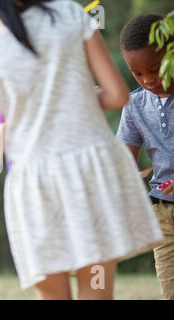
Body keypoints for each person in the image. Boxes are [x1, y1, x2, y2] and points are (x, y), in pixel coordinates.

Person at [0, 0, 163, 300]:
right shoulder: (70, 15)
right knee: (96, 292)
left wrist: (17, 124)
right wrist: (72, 102)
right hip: (92, 172)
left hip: (35, 188)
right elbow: (119, 96)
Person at [117, 13, 174, 300]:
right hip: (163, 215)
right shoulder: (134, 106)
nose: (149, 80)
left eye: (155, 69)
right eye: (138, 74)